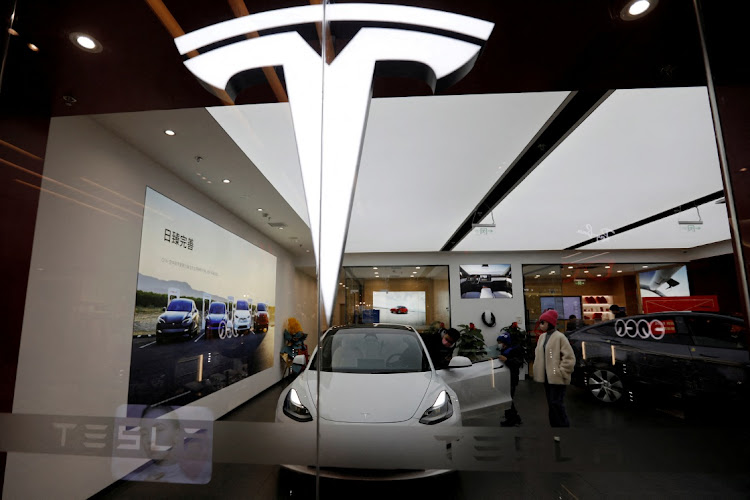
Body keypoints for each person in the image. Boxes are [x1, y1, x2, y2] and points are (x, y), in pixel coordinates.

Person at [533, 310, 576, 434]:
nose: (540, 325)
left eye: (543, 322)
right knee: (552, 404)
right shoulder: (542, 337)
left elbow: (569, 357)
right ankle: (555, 429)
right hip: (546, 377)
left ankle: (563, 428)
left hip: (557, 377)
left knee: (556, 403)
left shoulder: (560, 337)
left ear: (550, 323)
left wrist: (562, 372)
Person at [497, 332, 524, 427]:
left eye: (500, 342)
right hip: (504, 378)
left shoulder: (514, 350)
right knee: (507, 399)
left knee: (507, 399)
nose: (499, 344)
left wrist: (506, 360)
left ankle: (512, 419)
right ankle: (514, 417)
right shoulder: (504, 349)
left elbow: (518, 363)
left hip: (511, 378)